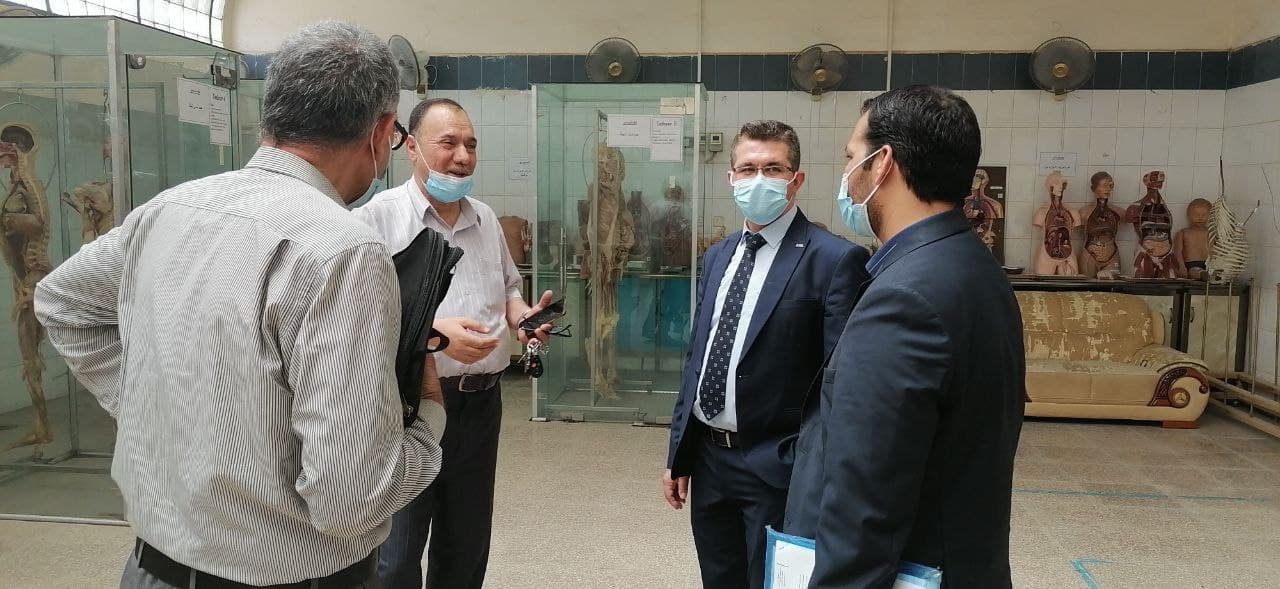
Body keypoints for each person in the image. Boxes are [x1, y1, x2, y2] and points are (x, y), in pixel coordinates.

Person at [33, 21, 446, 588]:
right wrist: (429, 419)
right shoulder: (343, 248)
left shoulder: (168, 210)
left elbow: (62, 303)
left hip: (149, 570)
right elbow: (350, 500)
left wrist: (154, 410)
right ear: (380, 133)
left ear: (271, 115)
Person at [785, 85, 1025, 588]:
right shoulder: (971, 265)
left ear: (883, 163)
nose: (847, 176)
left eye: (851, 157)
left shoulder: (904, 298)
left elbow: (866, 506)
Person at [353, 97, 556, 589]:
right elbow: (360, 321)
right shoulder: (376, 221)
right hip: (409, 406)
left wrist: (522, 316)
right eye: (448, 143)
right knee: (396, 556)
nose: (463, 156)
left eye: (471, 144)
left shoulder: (484, 219)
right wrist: (437, 339)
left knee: (465, 547)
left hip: (481, 406)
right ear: (411, 147)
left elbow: (507, 289)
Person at [663, 120, 869, 589]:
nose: (758, 179)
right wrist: (679, 452)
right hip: (710, 460)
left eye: (773, 168)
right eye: (748, 168)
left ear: (796, 180)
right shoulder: (718, 256)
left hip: (778, 466)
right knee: (719, 578)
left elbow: (842, 384)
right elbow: (699, 358)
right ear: (730, 178)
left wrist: (811, 469)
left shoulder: (833, 260)